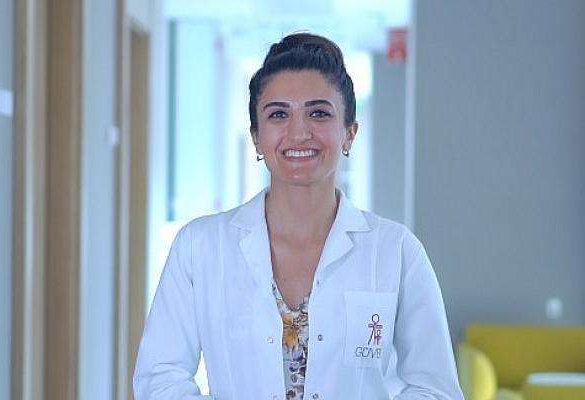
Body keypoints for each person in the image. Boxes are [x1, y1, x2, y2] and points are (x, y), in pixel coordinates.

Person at [133, 32, 464, 400]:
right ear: (256, 137)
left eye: (318, 113)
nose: (299, 132)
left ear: (349, 134)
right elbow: (160, 378)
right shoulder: (200, 246)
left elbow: (435, 389)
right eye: (278, 114)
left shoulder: (397, 251)